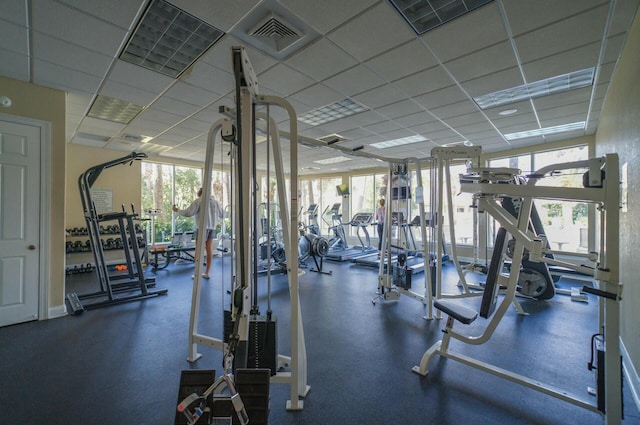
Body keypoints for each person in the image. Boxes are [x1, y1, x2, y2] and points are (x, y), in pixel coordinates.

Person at [172, 187, 223, 279]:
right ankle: (207, 273)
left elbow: (188, 213)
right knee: (209, 249)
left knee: (199, 250)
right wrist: (214, 220)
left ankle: (197, 273)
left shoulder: (199, 201)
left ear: (200, 193)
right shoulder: (215, 202)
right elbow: (222, 214)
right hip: (212, 228)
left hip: (202, 228)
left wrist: (177, 210)